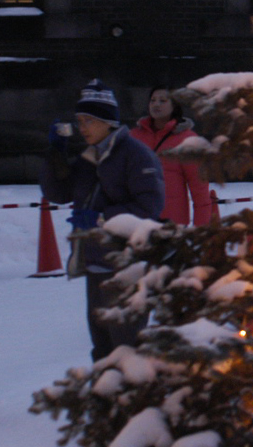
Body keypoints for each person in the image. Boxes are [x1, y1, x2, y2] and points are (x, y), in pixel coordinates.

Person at [40, 80, 164, 361]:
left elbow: (149, 207)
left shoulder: (135, 155)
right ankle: (104, 401)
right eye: (79, 121)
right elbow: (59, 193)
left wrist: (101, 218)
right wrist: (54, 157)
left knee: (126, 347)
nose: (82, 128)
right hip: (94, 262)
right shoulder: (88, 158)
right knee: (102, 348)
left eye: (89, 121)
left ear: (107, 122)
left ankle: (133, 402)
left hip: (126, 266)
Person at [130, 86, 217, 226]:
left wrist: (200, 231)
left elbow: (200, 193)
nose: (156, 104)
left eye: (162, 100)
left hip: (171, 227)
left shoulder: (187, 141)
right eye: (153, 100)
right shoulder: (134, 137)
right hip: (135, 224)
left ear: (174, 105)